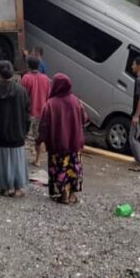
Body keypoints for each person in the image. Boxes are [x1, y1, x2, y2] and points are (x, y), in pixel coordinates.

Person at [38, 73, 87, 205]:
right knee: (73, 168)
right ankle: (72, 195)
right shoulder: (77, 101)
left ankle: (63, 195)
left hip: (57, 144)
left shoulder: (50, 104)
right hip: (74, 143)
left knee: (59, 168)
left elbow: (44, 125)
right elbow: (84, 119)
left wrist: (40, 140)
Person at [0, 61, 31, 197]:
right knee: (17, 160)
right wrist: (25, 131)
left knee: (2, 159)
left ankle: (5, 187)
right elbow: (26, 114)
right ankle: (17, 188)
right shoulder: (21, 91)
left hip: (0, 132)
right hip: (17, 132)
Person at [21, 56, 52, 166]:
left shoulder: (26, 78)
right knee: (38, 137)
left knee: (24, 136)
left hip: (29, 112)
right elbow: (49, 97)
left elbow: (22, 96)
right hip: (42, 112)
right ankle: (38, 160)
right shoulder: (46, 79)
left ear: (28, 66)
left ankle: (21, 159)